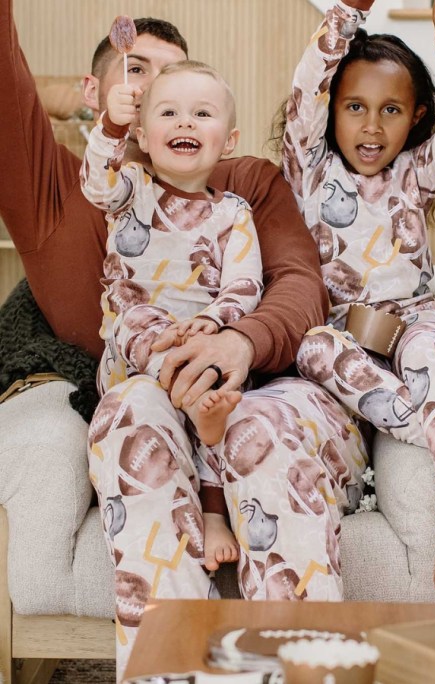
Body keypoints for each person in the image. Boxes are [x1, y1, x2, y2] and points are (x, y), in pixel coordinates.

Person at [0, 4, 367, 676]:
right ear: (109, 101)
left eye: (186, 90)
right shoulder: (75, 187)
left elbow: (296, 284)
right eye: (140, 79)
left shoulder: (246, 187)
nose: (162, 99)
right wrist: (95, 114)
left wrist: (238, 340)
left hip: (264, 377)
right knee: (128, 417)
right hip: (148, 376)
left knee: (260, 427)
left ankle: (302, 670)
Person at [283, 0, 435, 592]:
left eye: (390, 111)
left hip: (411, 322)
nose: (371, 127)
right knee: (312, 346)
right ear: (332, 111)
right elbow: (304, 91)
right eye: (355, 108)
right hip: (340, 331)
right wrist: (345, 15)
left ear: (414, 116)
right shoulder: (310, 168)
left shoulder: (417, 171)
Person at [81, 60, 264, 573]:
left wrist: (213, 324)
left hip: (200, 351)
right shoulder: (131, 191)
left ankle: (211, 512)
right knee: (137, 318)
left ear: (228, 140)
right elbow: (96, 183)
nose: (185, 123)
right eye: (169, 112)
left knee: (224, 393)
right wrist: (110, 128)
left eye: (201, 113)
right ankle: (191, 385)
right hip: (133, 351)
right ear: (143, 134)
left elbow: (245, 285)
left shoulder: (234, 213)